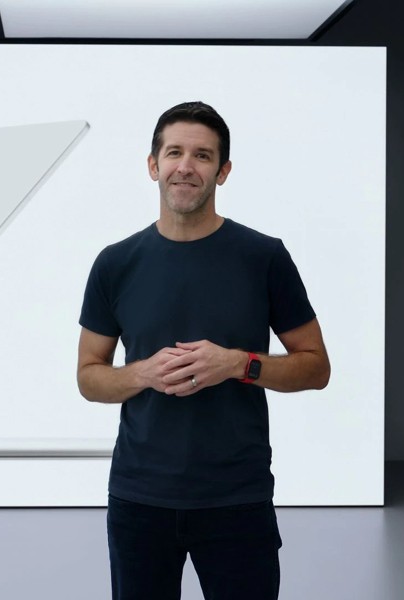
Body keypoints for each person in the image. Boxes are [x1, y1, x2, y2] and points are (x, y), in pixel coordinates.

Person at [77, 101, 330, 600]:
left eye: (203, 155)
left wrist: (239, 363)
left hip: (237, 497)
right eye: (174, 153)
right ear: (153, 165)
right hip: (139, 497)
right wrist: (143, 374)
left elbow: (316, 367)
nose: (186, 166)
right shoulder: (115, 263)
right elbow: (89, 376)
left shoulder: (264, 257)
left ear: (223, 170)